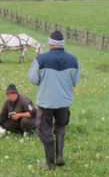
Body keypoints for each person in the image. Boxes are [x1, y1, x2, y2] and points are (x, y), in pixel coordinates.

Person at [28, 30, 80, 169]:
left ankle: (49, 164)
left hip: (46, 101)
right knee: (61, 127)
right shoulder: (73, 60)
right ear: (63, 43)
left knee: (44, 129)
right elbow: (75, 82)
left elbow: (33, 78)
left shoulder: (41, 59)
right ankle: (60, 157)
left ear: (50, 43)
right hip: (64, 102)